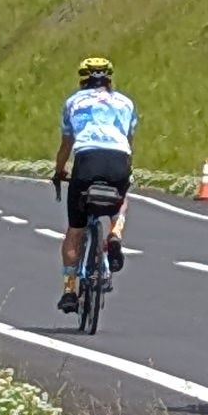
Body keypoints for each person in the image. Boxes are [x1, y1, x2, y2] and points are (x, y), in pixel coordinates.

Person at [53, 56, 137, 312]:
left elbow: (66, 144)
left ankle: (69, 288)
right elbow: (128, 139)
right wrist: (126, 168)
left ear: (82, 80)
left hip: (87, 160)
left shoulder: (73, 103)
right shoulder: (125, 103)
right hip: (118, 159)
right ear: (109, 79)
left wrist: (59, 171)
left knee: (75, 229)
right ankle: (115, 234)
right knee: (120, 202)